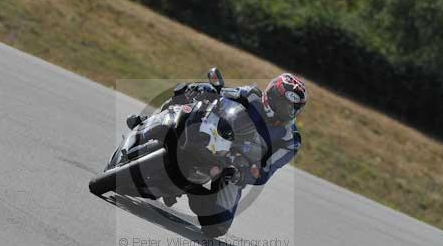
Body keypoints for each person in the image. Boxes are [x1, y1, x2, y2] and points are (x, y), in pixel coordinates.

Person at [127, 73, 309, 237]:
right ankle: (147, 122)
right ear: (270, 95)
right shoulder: (250, 94)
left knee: (216, 227)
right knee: (185, 99)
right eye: (282, 104)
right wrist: (202, 88)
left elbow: (266, 170)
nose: (285, 111)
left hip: (235, 166)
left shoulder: (290, 139)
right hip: (215, 136)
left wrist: (243, 173)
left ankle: (192, 190)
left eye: (291, 108)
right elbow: (223, 93)